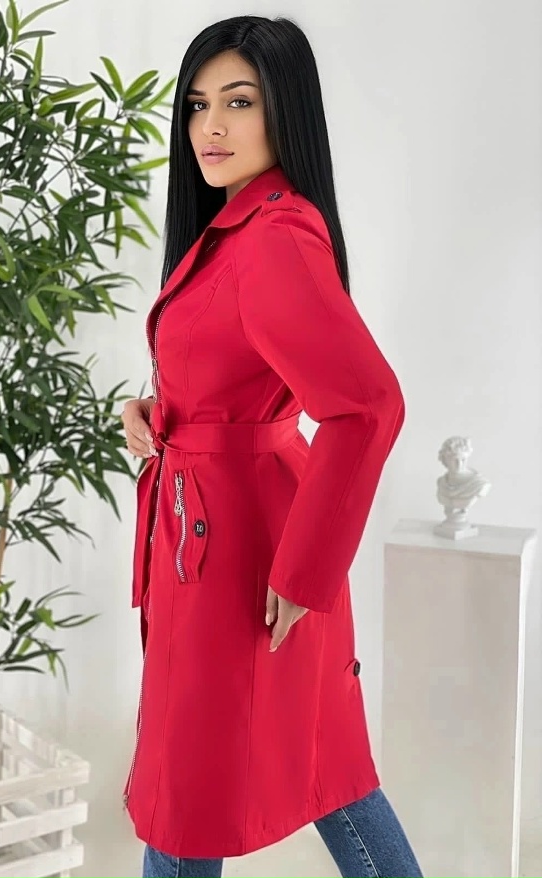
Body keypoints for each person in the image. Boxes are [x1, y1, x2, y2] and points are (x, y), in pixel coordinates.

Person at [120, 14, 423, 878]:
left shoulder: (275, 239)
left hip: (248, 554)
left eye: (239, 102)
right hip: (216, 529)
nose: (210, 127)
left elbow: (368, 407)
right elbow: (233, 373)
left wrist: (303, 573)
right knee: (308, 771)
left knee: (207, 790)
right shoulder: (238, 229)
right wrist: (156, 411)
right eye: (197, 105)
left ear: (283, 109)